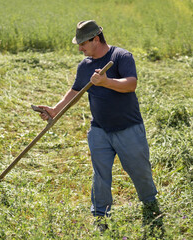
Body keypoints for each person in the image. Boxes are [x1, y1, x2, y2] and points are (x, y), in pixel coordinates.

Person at [37, 20, 158, 232]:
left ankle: (150, 205)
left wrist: (106, 82)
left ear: (96, 39)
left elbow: (131, 84)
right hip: (100, 129)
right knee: (100, 174)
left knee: (139, 170)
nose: (80, 48)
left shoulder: (121, 57)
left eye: (83, 43)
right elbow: (76, 91)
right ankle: (101, 215)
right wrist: (55, 110)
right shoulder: (85, 66)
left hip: (128, 128)